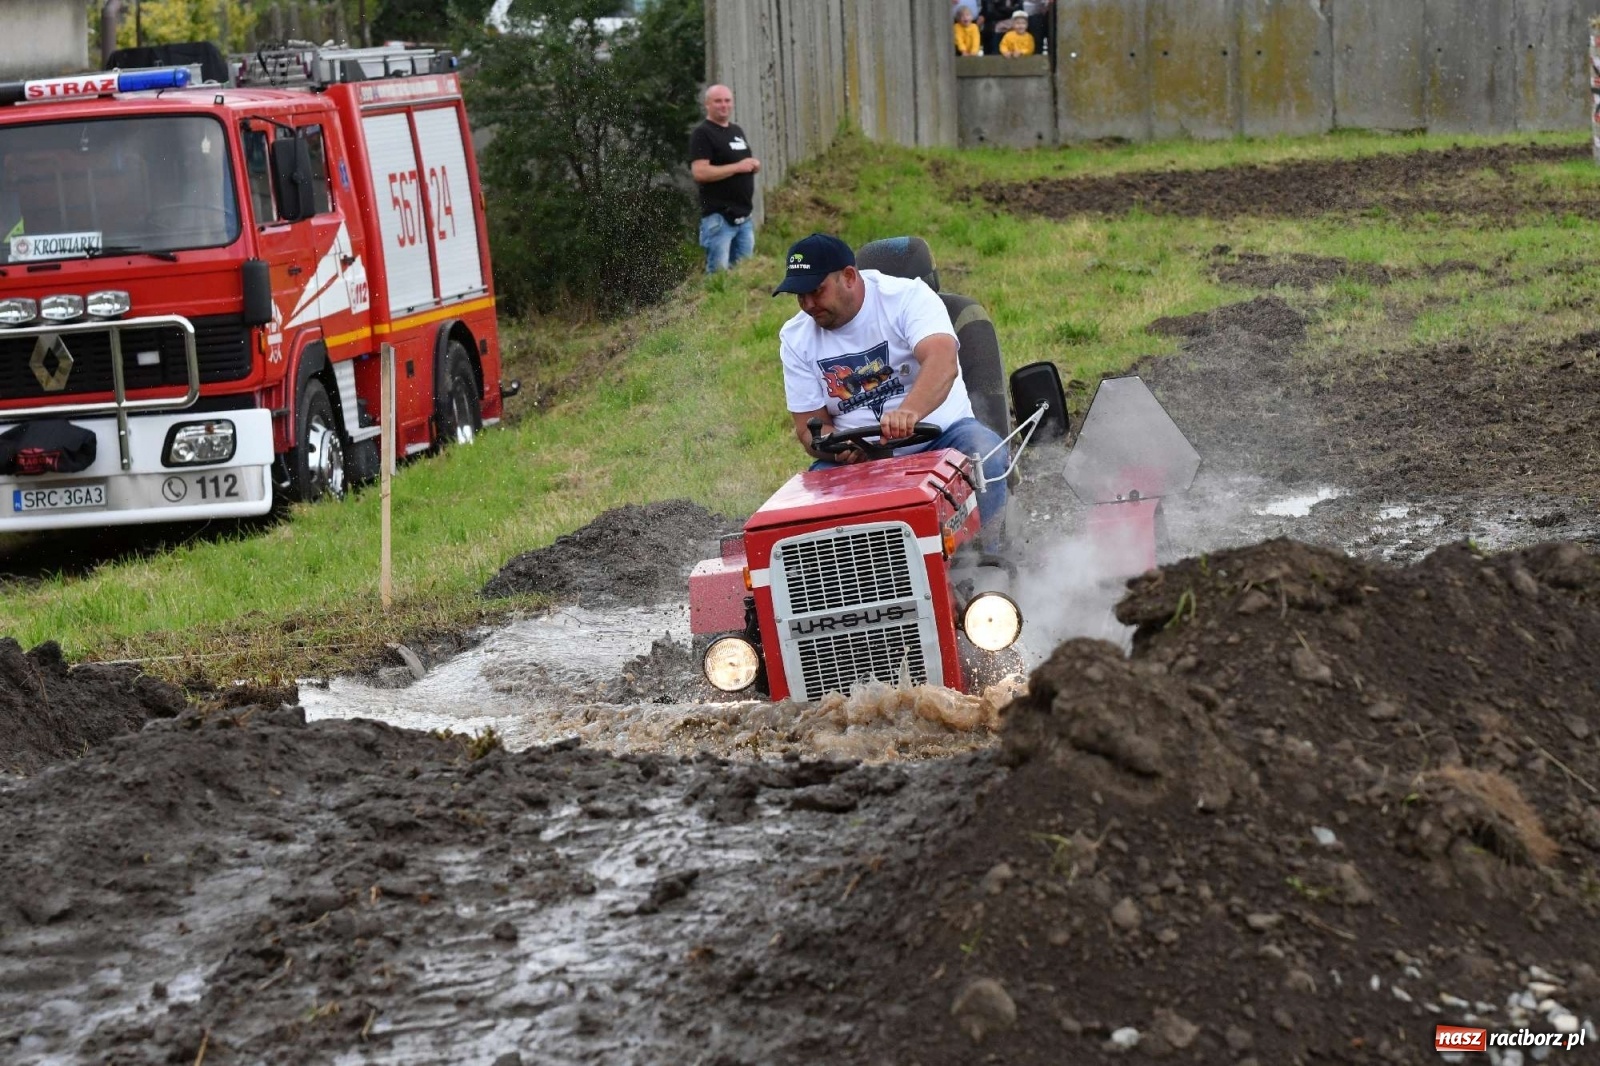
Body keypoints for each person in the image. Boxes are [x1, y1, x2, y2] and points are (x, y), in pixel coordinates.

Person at [772, 233, 1008, 534]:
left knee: (983, 451)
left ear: (848, 277)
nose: (807, 304)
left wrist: (909, 412)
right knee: (812, 506)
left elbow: (942, 361)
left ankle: (988, 560)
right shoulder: (795, 338)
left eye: (816, 291)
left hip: (942, 437)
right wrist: (837, 449)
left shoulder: (907, 297)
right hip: (860, 460)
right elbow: (809, 427)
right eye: (799, 296)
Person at [690, 84, 760, 274]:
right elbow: (700, 172)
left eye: (727, 100)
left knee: (744, 277)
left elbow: (739, 163)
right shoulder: (703, 133)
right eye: (718, 101)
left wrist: (751, 166)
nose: (724, 105)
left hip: (744, 218)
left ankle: (739, 305)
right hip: (719, 219)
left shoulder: (736, 131)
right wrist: (738, 167)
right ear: (707, 104)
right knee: (718, 279)